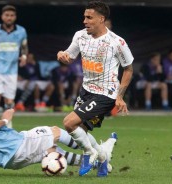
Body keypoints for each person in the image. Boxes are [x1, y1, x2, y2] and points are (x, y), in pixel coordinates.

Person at [0, 76, 117, 176]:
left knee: (53, 152)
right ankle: (98, 152)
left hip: (8, 162)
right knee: (56, 131)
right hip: (17, 145)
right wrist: (4, 120)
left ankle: (100, 164)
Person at [57, 1, 133, 177]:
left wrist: (120, 97)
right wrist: (62, 56)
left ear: (101, 19)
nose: (85, 21)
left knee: (69, 123)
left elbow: (128, 68)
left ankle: (89, 153)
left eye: (89, 17)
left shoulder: (116, 42)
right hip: (86, 91)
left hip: (105, 94)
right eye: (84, 17)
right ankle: (102, 156)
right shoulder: (80, 36)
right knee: (80, 130)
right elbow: (69, 57)